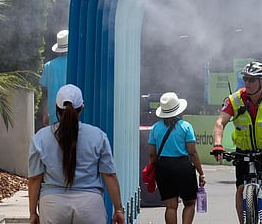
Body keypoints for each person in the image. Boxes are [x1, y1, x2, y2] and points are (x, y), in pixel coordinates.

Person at [28, 84, 125, 224]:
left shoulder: (40, 138)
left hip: (52, 206)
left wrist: (32, 213)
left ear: (56, 107)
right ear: (82, 107)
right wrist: (118, 210)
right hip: (90, 205)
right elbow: (109, 174)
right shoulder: (98, 136)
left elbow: (35, 178)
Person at [211, 61, 262, 223]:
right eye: (245, 79)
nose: (247, 83)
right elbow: (220, 123)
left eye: (252, 80)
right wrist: (217, 144)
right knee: (241, 189)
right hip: (243, 149)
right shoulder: (234, 100)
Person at [147, 92, 206, 224]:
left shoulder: (155, 128)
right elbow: (193, 153)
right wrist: (201, 173)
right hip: (183, 166)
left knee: (171, 206)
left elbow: (152, 154)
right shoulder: (186, 127)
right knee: (189, 203)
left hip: (163, 167)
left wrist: (155, 166)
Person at [41, 29, 69, 126]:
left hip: (53, 116)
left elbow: (44, 93)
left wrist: (45, 113)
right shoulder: (76, 65)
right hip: (73, 115)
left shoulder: (48, 66)